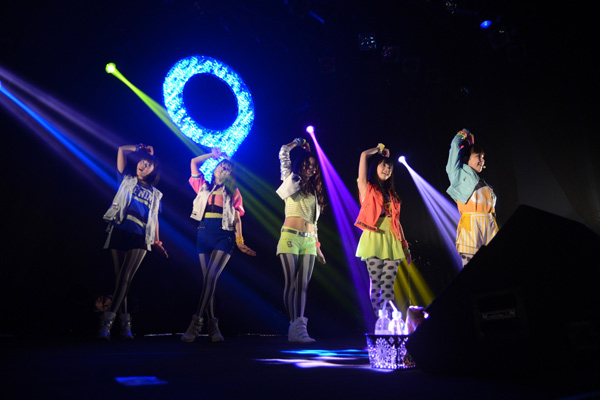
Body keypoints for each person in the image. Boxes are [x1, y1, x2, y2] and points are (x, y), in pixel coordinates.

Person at [181, 148, 256, 343]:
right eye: (221, 166)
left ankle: (196, 324)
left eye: (228, 168)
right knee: (209, 281)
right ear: (215, 169)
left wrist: (240, 241)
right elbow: (193, 162)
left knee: (211, 278)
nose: (224, 169)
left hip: (224, 235)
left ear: (231, 174)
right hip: (204, 232)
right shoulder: (203, 186)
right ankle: (213, 326)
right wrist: (212, 155)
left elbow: (237, 218)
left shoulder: (233, 192)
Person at [98, 143, 168, 340]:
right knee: (120, 279)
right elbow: (121, 150)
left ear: (154, 170)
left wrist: (157, 242)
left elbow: (154, 218)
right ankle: (125, 325)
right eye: (142, 162)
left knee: (125, 277)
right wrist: (139, 148)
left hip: (140, 235)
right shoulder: (127, 179)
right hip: (120, 228)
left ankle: (107, 323)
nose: (143, 165)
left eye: (148, 164)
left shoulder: (156, 194)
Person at [276, 138, 326, 343]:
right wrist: (299, 143)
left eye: (314, 166)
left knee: (303, 285)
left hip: (309, 241)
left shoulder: (314, 190)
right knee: (291, 283)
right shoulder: (290, 178)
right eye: (308, 164)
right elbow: (283, 152)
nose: (312, 168)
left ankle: (300, 327)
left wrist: (318, 247)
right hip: (290, 236)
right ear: (301, 164)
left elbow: (314, 222)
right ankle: (294, 326)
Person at [355, 144, 411, 318]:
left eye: (390, 167)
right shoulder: (367, 188)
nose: (387, 170)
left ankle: (387, 318)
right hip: (374, 237)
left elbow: (397, 222)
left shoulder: (392, 195)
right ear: (376, 167)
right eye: (384, 165)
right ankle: (379, 321)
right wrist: (377, 150)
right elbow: (363, 155)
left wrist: (405, 247)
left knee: (388, 284)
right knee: (376, 283)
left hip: (392, 239)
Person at [446, 129, 498, 266]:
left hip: (490, 228)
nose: (482, 160)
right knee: (472, 272)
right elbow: (455, 146)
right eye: (478, 156)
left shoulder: (486, 185)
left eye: (483, 157)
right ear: (466, 159)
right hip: (471, 228)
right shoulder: (457, 175)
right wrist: (464, 133)